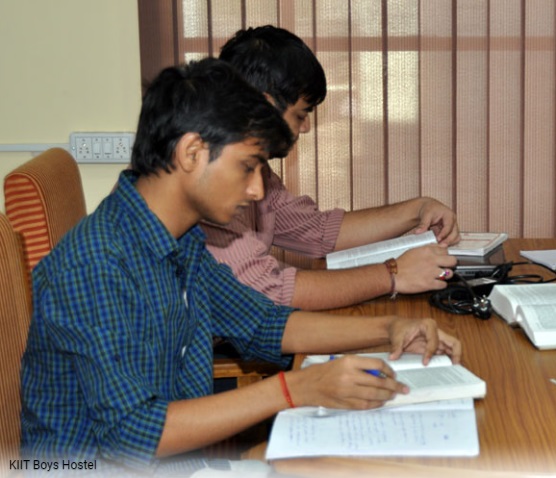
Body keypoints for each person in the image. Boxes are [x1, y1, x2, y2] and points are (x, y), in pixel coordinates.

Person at [19, 58, 463, 475]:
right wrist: (292, 391)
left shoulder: (181, 239)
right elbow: (131, 436)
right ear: (192, 152)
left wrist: (389, 330)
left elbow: (264, 324)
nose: (255, 190)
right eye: (247, 167)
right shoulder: (95, 263)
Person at [203, 26, 460, 311]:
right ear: (265, 105)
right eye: (301, 114)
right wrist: (392, 274)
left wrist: (418, 210)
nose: (306, 127)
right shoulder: (211, 179)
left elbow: (316, 232)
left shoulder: (256, 172)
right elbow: (270, 290)